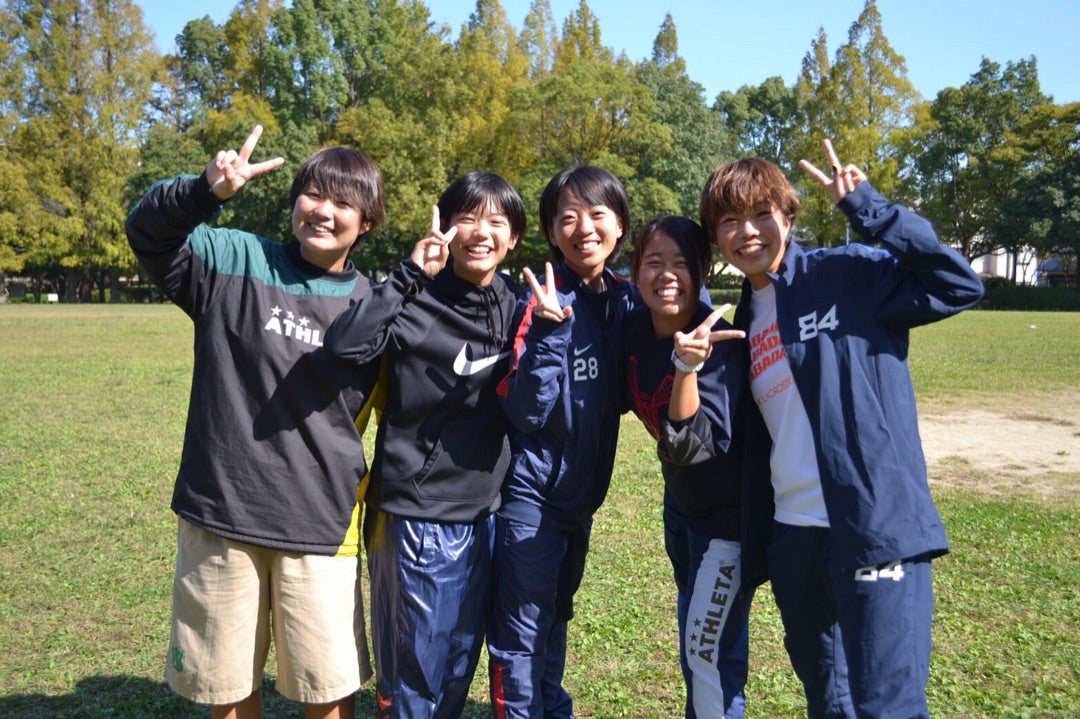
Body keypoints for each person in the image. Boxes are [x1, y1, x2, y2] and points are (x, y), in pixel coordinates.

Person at [699, 140, 984, 718]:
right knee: (828, 699)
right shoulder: (744, 319)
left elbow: (958, 284)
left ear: (788, 217)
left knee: (886, 705)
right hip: (795, 537)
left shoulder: (847, 274)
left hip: (873, 524)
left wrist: (871, 209)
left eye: (760, 213)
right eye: (729, 221)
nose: (746, 231)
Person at [125, 125, 385, 719]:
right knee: (227, 687)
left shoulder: (374, 307)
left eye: (343, 203)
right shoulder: (234, 260)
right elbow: (147, 233)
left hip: (319, 526)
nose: (323, 211)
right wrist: (203, 191)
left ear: (366, 223)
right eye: (312, 194)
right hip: (224, 513)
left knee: (326, 689)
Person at [323, 171, 525, 719]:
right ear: (446, 226)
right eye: (468, 218)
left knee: (459, 662)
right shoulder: (415, 298)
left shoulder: (517, 304)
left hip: (486, 513)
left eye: (496, 222)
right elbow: (344, 346)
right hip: (416, 513)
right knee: (415, 673)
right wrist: (411, 272)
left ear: (513, 238)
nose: (480, 232)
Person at [486, 165, 638, 719]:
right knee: (522, 631)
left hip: (580, 500)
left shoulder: (625, 301)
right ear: (552, 231)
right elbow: (526, 409)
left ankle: (551, 705)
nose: (584, 228)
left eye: (597, 214)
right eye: (568, 217)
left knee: (556, 614)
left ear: (619, 225)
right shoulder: (542, 301)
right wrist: (551, 332)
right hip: (533, 498)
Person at [623, 215, 753, 719]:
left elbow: (693, 445)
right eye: (654, 262)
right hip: (680, 509)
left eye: (681, 263)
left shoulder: (719, 344)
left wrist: (687, 368)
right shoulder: (635, 331)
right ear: (636, 272)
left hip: (725, 525)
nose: (667, 275)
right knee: (696, 641)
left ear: (702, 272)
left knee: (708, 655)